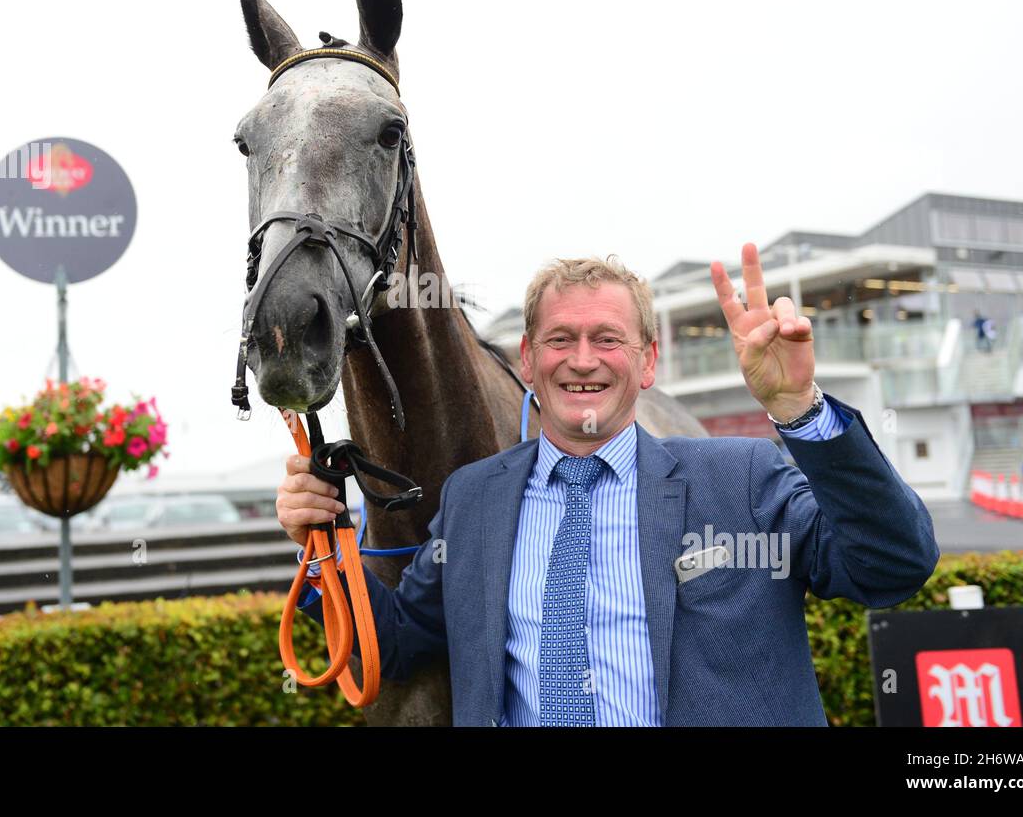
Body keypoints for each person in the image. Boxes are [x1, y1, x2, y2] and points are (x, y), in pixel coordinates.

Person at [275, 245, 939, 726]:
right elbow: (390, 641)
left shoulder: (741, 477)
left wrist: (800, 409)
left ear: (648, 360)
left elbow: (893, 565)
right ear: (528, 361)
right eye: (560, 338)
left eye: (608, 338)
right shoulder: (473, 500)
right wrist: (321, 539)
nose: (584, 359)